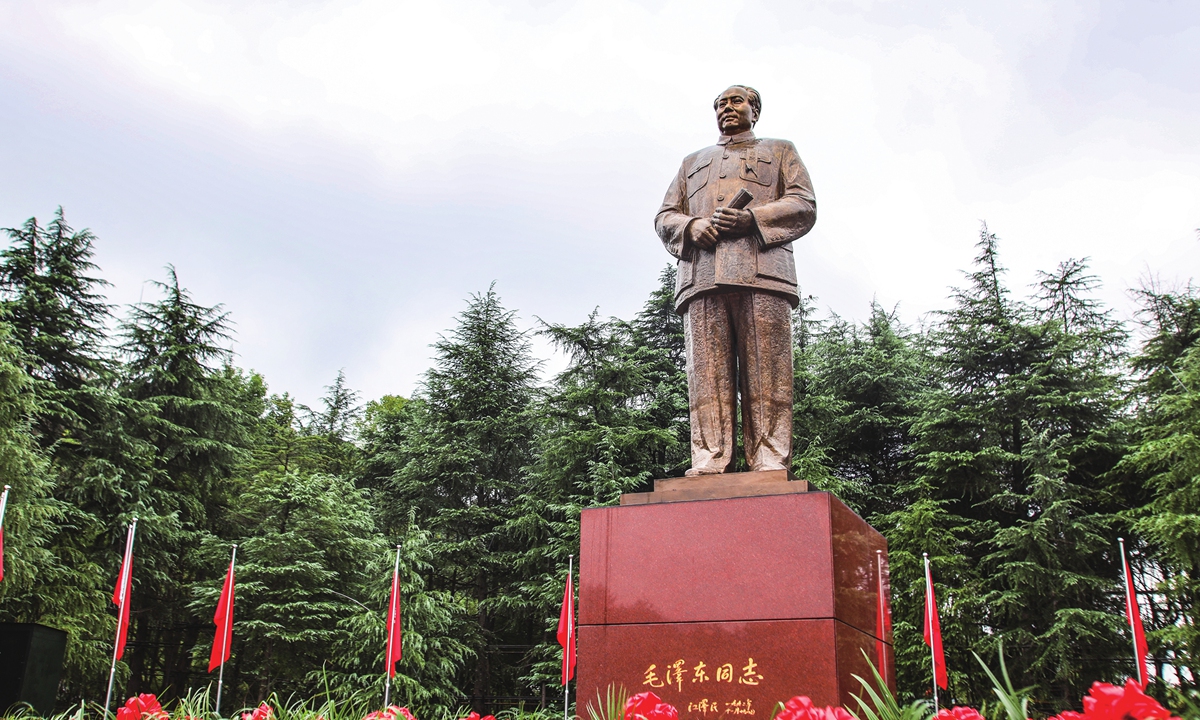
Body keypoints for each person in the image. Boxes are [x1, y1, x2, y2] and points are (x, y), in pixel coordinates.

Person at [654, 85, 817, 476]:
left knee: (769, 373)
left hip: (763, 273)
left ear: (754, 111)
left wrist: (753, 219)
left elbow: (803, 204)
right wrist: (692, 227)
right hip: (702, 278)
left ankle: (769, 460)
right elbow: (664, 216)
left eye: (735, 101)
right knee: (706, 375)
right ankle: (709, 459)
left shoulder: (781, 151)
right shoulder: (691, 161)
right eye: (720, 104)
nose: (726, 109)